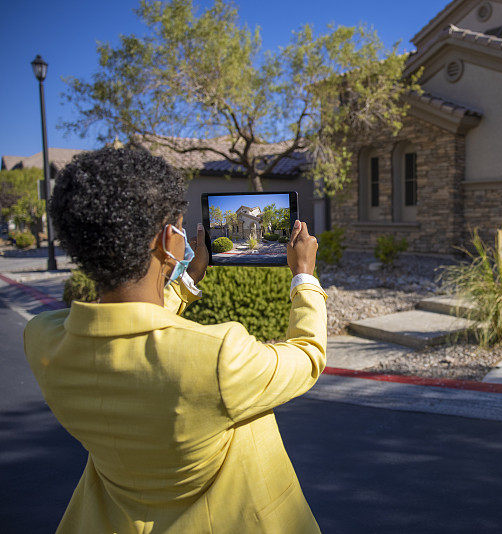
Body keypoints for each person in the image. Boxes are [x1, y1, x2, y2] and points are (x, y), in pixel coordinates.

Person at [23, 147, 327, 533]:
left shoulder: (44, 340)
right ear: (169, 240)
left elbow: (130, 321)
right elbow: (307, 355)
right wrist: (303, 275)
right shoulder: (218, 356)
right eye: (181, 225)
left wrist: (188, 278)